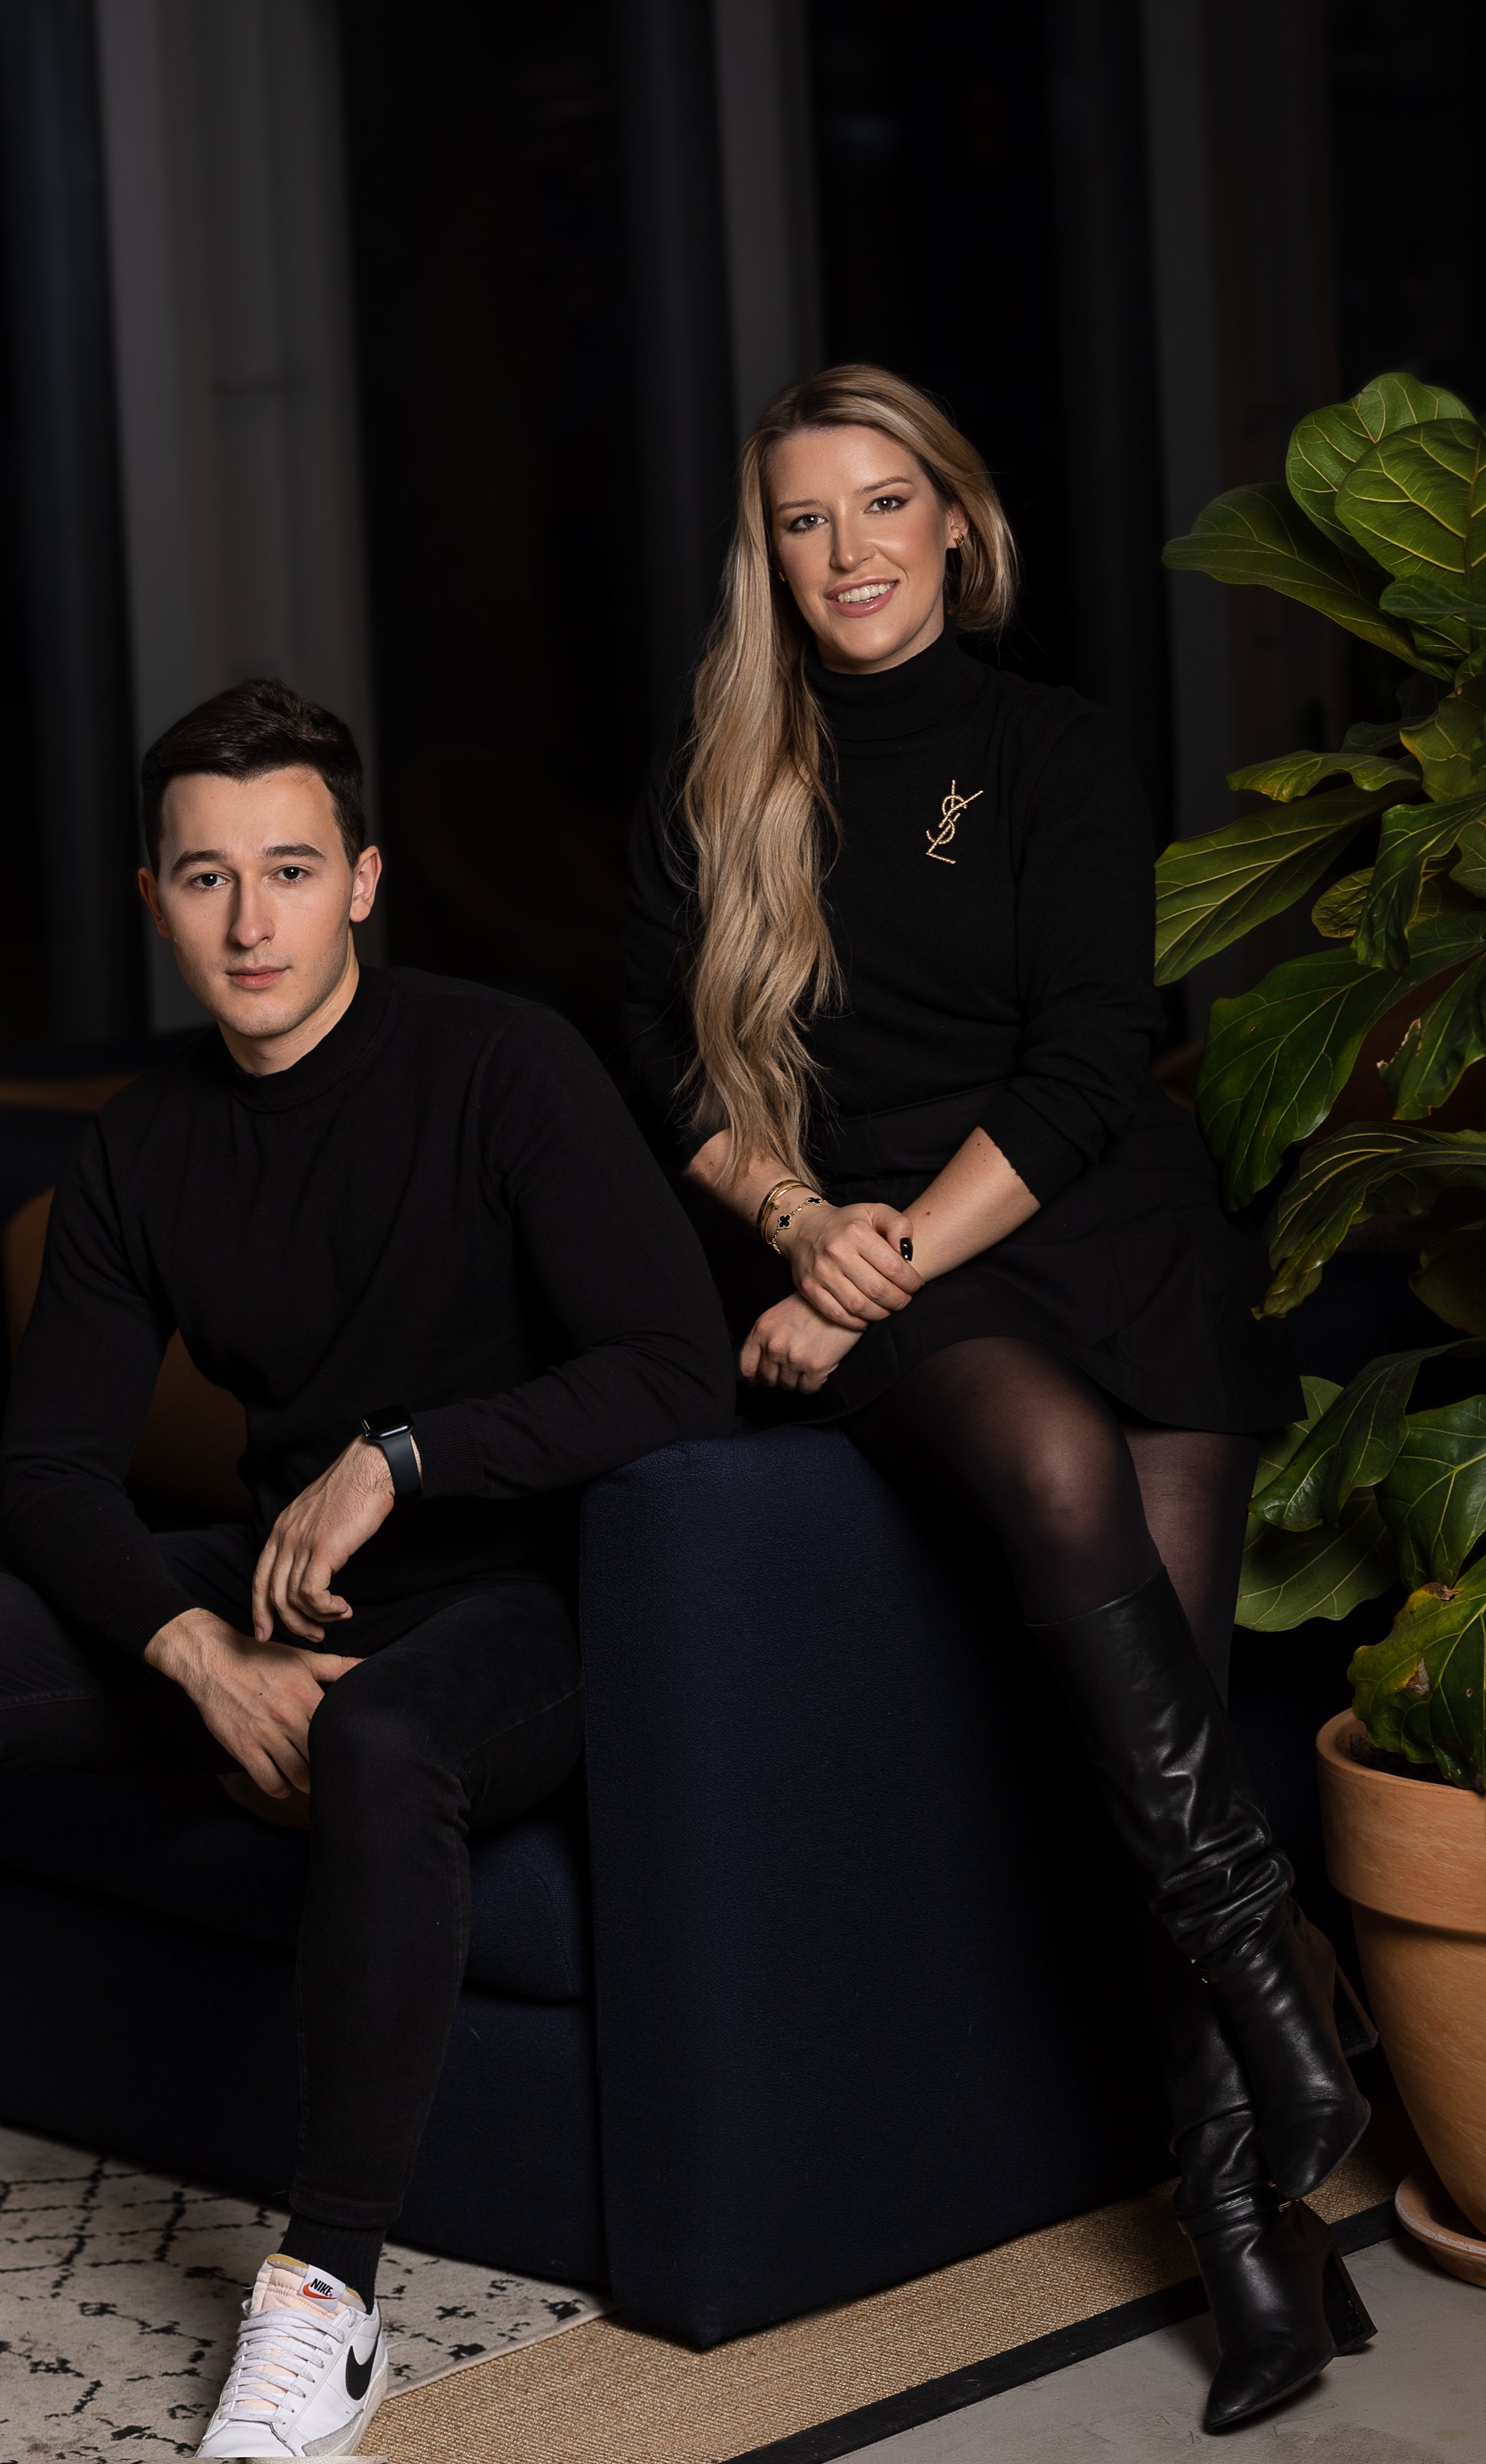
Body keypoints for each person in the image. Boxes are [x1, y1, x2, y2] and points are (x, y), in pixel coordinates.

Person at [0, 679, 732, 2458]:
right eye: (205, 878)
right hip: (273, 1598)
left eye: (291, 870)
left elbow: (675, 1369)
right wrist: (197, 1652)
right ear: (156, 894)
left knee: (380, 1742)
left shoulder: (502, 1067)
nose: (251, 923)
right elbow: (51, 1470)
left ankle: (325, 2301)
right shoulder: (144, 1140)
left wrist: (406, 1457)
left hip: (523, 1597)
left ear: (366, 881)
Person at [624, 364, 1376, 2435]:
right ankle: (1287, 2025)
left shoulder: (1048, 745)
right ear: (765, 556)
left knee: (1173, 1730)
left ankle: (1251, 2231)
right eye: (806, 519)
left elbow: (1084, 1062)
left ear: (955, 521)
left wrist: (872, 1254)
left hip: (1080, 1226)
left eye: (887, 506)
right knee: (1051, 1475)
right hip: (904, 1272)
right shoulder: (724, 778)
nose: (851, 550)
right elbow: (677, 1077)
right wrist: (808, 1232)